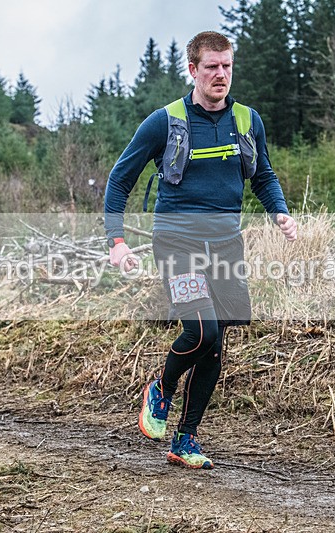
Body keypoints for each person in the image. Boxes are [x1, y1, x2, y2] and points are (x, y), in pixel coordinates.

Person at [104, 31, 297, 469]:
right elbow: (119, 180)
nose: (221, 75)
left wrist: (279, 212)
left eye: (227, 66)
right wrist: (115, 241)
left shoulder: (247, 120)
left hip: (226, 245)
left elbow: (263, 175)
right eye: (211, 66)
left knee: (215, 346)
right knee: (201, 331)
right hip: (178, 242)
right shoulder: (164, 121)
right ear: (193, 70)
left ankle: (185, 439)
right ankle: (161, 388)